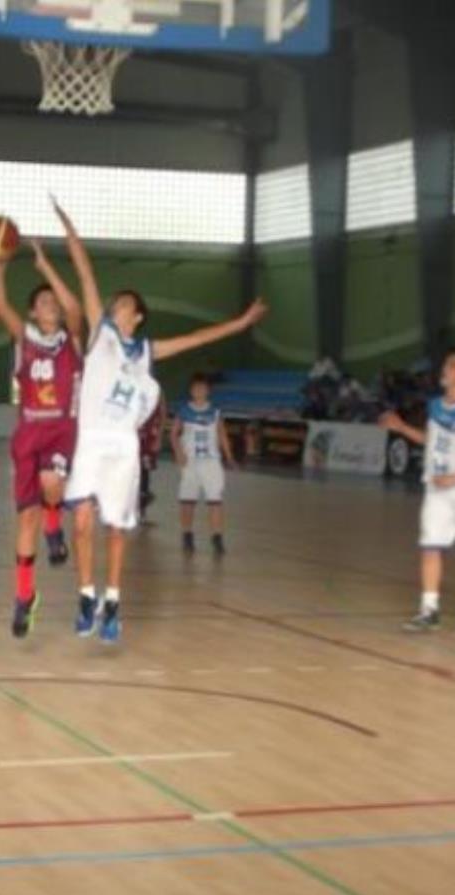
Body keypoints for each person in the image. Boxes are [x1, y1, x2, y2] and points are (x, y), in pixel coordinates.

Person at [54, 200, 268, 642]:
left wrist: (240, 323)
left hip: (124, 447)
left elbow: (194, 339)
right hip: (92, 441)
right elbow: (86, 276)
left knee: (116, 526)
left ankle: (113, 602)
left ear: (138, 315)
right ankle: (85, 594)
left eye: (124, 304)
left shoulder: (147, 349)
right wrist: (70, 230)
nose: (116, 305)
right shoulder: (101, 333)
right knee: (80, 522)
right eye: (115, 303)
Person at [0, 239, 84, 639]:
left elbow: (75, 309)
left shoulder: (71, 339)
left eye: (54, 301)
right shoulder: (24, 338)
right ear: (32, 312)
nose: (52, 305)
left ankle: (55, 526)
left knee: (51, 484)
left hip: (61, 429)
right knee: (25, 517)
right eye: (43, 301)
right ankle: (25, 597)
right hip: (27, 433)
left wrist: (47, 269)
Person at [379, 348, 455, 631]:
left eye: (453, 364)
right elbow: (430, 440)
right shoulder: (434, 406)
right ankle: (429, 609)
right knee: (431, 545)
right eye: (445, 364)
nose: (446, 369)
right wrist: (401, 427)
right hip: (437, 486)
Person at [172, 372, 236, 555]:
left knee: (215, 500)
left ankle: (217, 537)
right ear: (191, 390)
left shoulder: (215, 411)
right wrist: (178, 453)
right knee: (187, 500)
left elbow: (222, 434)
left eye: (202, 387)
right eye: (195, 388)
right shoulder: (184, 410)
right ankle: (187, 534)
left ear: (208, 390)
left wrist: (229, 456)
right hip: (190, 462)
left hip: (211, 461)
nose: (199, 391)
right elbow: (174, 434)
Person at [138, 395, 167, 523]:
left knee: (145, 472)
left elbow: (163, 414)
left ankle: (142, 511)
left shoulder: (156, 389)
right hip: (133, 433)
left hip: (149, 436)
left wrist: (159, 438)